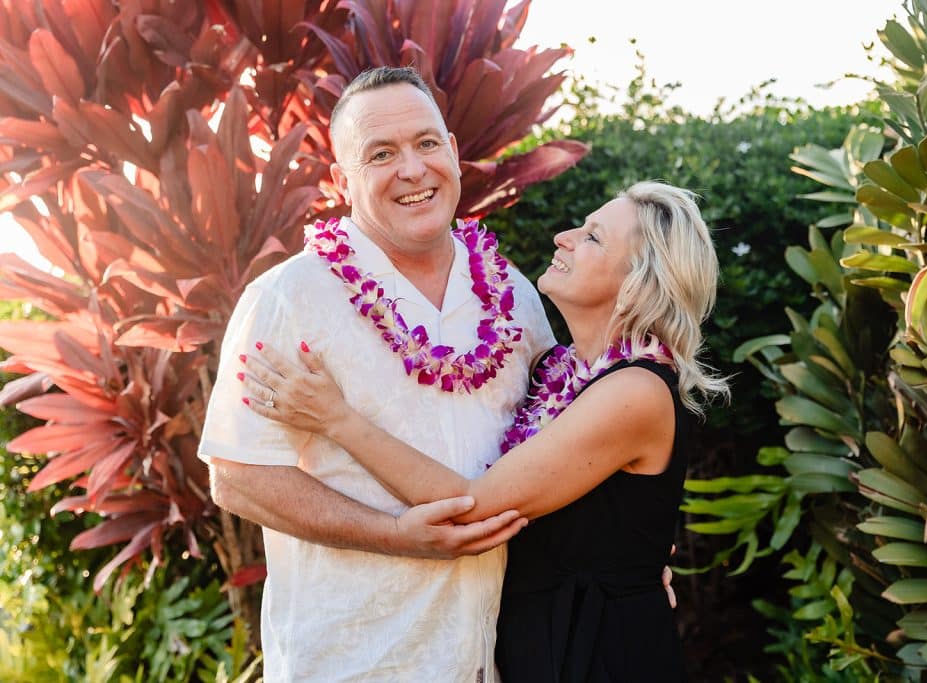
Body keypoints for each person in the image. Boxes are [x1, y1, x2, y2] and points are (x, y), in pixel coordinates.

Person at [243, 180, 729, 682]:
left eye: (593, 238)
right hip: (543, 645)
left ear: (639, 282)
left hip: (599, 655)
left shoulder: (635, 392)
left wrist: (335, 419)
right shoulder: (559, 374)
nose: (564, 237)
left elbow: (472, 505)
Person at [199, 66, 558, 681]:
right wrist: (397, 535)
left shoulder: (513, 294)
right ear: (342, 180)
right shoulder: (290, 296)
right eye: (381, 154)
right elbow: (238, 477)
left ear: (452, 151)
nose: (413, 170)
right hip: (350, 661)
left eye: (426, 143)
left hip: (495, 657)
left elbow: (562, 442)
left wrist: (630, 553)